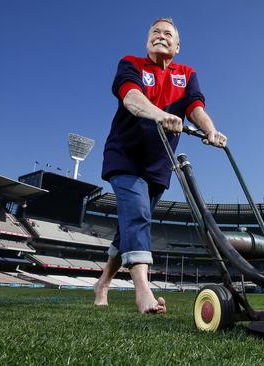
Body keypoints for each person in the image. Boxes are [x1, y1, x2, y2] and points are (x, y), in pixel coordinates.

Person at [94, 18, 227, 314]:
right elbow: (131, 98)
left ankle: (102, 283)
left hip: (158, 164)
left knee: (128, 227)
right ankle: (143, 292)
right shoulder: (131, 63)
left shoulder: (187, 74)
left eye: (168, 34)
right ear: (146, 41)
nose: (161, 36)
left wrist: (210, 130)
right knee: (139, 214)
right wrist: (159, 114)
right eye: (155, 32)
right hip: (124, 155)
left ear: (177, 46)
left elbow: (195, 106)